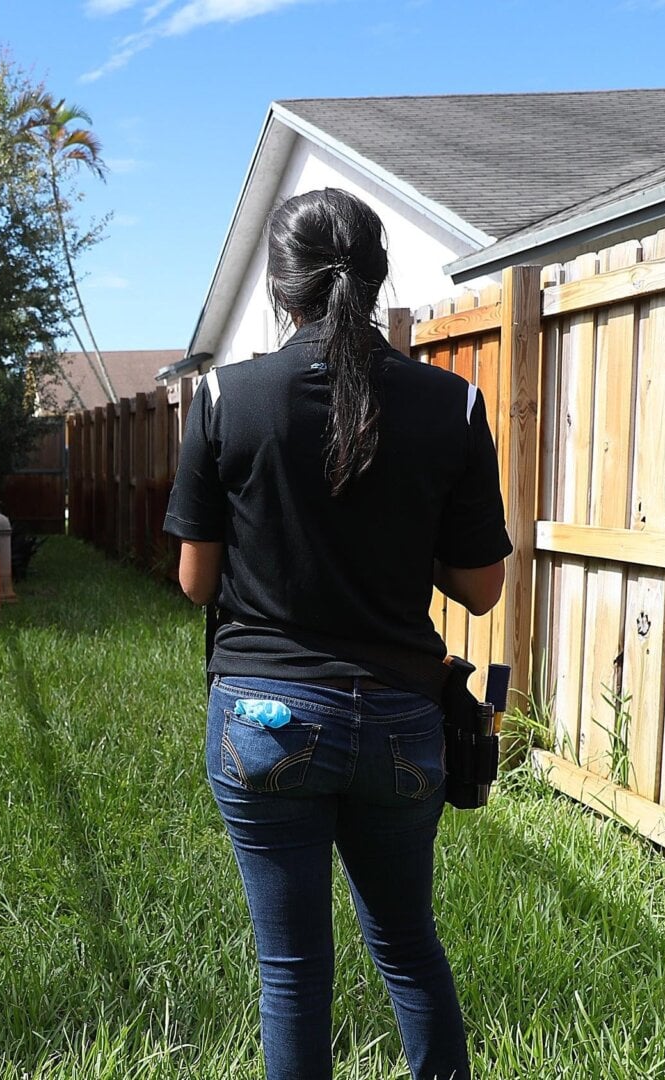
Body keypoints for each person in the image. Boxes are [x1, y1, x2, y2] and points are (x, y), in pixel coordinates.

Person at [163, 187, 511, 1080]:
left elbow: (196, 580)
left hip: (261, 722)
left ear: (284, 294)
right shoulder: (453, 406)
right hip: (402, 721)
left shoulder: (222, 400)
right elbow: (480, 589)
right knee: (408, 948)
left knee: (292, 974)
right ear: (378, 274)